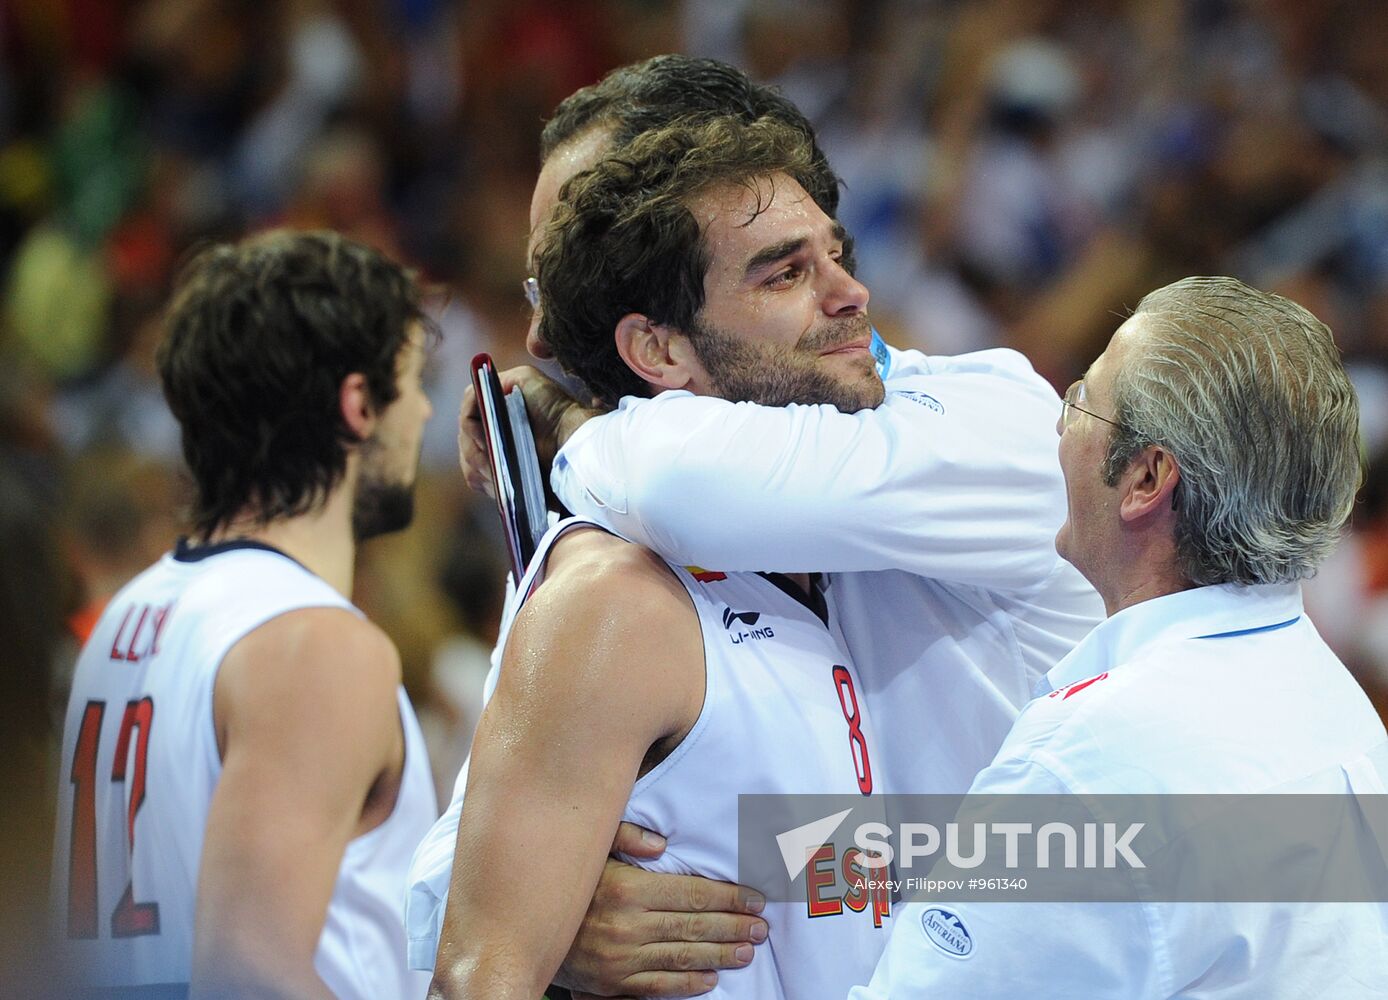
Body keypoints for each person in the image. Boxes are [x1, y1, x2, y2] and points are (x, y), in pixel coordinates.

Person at [415, 54, 1101, 998]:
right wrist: (552, 907)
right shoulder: (614, 572)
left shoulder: (994, 421)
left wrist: (568, 427)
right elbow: (459, 916)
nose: (544, 340)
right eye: (551, 283)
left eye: (586, 257)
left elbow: (686, 475)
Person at [424, 115, 898, 1000]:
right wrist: (544, 913)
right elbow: (475, 975)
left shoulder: (851, 559)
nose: (850, 295)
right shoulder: (618, 599)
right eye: (786, 273)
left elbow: (817, 870)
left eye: (839, 256)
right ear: (660, 349)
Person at [853, 277, 1388, 998]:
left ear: (1145, 478)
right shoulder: (1336, 702)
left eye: (1080, 401)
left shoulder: (1083, 766)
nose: (1058, 426)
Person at [50, 230, 438, 999]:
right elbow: (249, 974)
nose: (425, 410)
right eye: (413, 381)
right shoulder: (314, 644)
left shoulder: (129, 614)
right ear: (358, 405)